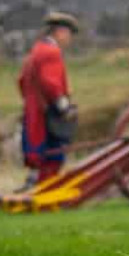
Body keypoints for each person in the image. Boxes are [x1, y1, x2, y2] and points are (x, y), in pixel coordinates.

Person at [18, 12, 80, 187]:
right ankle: (45, 190)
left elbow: (21, 81)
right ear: (59, 32)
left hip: (34, 112)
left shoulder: (35, 50)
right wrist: (64, 107)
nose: (69, 39)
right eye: (69, 34)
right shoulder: (51, 52)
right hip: (47, 114)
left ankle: (35, 184)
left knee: (39, 155)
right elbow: (50, 83)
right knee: (53, 155)